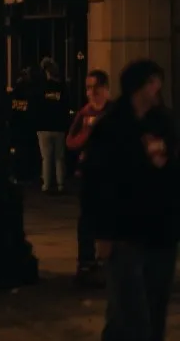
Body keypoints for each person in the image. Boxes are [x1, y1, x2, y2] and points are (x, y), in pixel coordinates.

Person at [82, 59, 177, 341]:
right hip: (124, 232)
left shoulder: (163, 122)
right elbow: (96, 183)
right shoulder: (112, 126)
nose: (158, 87)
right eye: (152, 82)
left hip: (161, 231)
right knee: (129, 313)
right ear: (139, 87)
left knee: (154, 307)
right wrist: (101, 234)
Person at [67, 69, 110, 285]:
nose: (92, 92)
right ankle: (86, 260)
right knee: (86, 218)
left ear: (105, 89)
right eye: (88, 88)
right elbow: (71, 141)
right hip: (88, 173)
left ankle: (106, 260)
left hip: (110, 174)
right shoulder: (84, 114)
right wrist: (88, 133)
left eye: (96, 87)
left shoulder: (114, 113)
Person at [32, 58, 71, 194]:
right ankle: (60, 184)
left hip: (43, 126)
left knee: (46, 158)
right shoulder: (62, 88)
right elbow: (66, 106)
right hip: (59, 126)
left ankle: (46, 184)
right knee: (59, 157)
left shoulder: (41, 88)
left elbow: (36, 106)